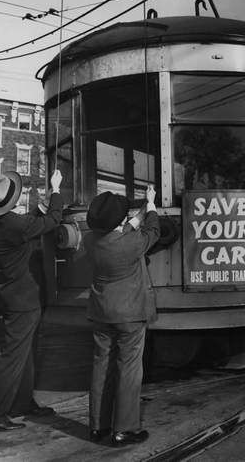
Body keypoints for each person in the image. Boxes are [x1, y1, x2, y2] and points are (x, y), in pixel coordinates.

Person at [0, 169, 63, 431]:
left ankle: (23, 403)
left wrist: (40, 206)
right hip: (23, 300)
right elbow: (53, 221)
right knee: (12, 357)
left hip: (15, 296)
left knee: (25, 354)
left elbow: (27, 222)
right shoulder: (14, 225)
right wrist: (56, 190)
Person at [85, 185, 160, 447]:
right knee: (129, 370)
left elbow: (123, 230)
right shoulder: (131, 244)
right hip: (129, 314)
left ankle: (98, 426)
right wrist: (151, 205)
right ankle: (125, 430)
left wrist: (137, 215)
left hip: (101, 313)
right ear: (119, 221)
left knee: (101, 366)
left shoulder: (91, 240)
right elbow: (153, 231)